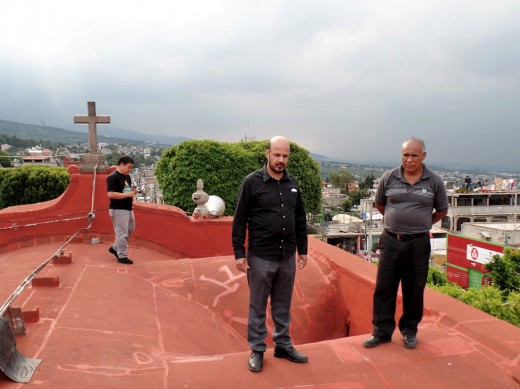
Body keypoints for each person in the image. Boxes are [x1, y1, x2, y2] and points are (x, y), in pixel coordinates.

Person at [232, 136, 309, 373]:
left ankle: (283, 344)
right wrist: (238, 253)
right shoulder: (251, 182)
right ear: (267, 154)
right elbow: (239, 219)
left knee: (283, 304)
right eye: (277, 155)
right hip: (260, 255)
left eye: (285, 156)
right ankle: (256, 349)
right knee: (257, 305)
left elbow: (300, 219)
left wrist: (303, 250)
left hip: (287, 255)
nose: (280, 160)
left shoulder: (292, 183)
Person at [363, 137, 448, 350]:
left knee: (414, 289)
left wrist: (421, 224)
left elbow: (442, 210)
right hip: (391, 241)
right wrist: (396, 221)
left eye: (414, 155)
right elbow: (380, 204)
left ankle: (410, 330)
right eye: (405, 155)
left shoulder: (434, 182)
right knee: (384, 288)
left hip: (418, 244)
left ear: (423, 156)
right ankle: (381, 332)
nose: (409, 160)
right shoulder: (389, 177)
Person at [106, 156, 137, 265]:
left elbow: (126, 191)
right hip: (118, 209)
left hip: (127, 208)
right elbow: (110, 194)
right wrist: (128, 194)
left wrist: (131, 192)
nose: (130, 169)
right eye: (129, 167)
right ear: (122, 164)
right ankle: (122, 256)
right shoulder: (113, 177)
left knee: (130, 229)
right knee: (122, 233)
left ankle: (115, 248)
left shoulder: (127, 177)